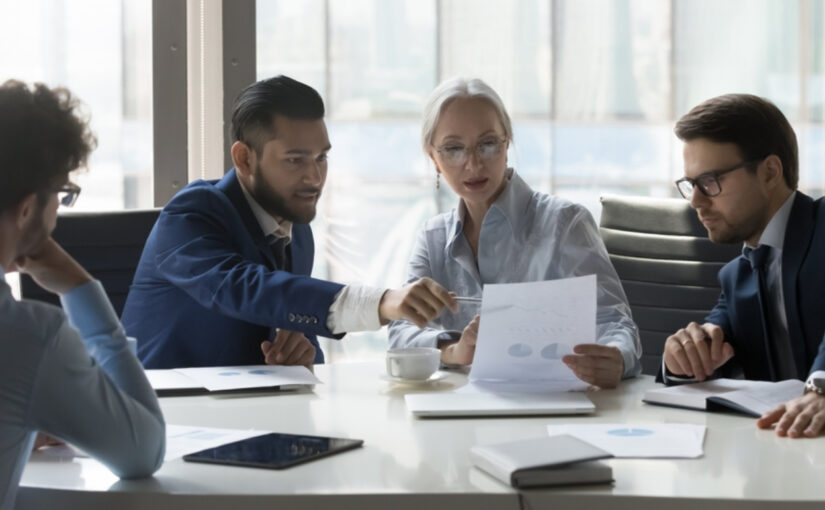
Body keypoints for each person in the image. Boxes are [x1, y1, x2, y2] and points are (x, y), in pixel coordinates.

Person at [122, 75, 456, 369]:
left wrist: (302, 354)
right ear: (244, 158)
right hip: (161, 417)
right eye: (295, 160)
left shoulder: (297, 236)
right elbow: (246, 288)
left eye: (321, 157)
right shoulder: (193, 213)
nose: (315, 177)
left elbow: (294, 317)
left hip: (245, 419)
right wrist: (381, 302)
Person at [387, 77, 642, 389]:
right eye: (454, 149)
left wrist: (615, 357)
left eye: (488, 144)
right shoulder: (433, 237)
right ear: (434, 160)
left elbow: (614, 323)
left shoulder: (565, 224)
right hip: (459, 413)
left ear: (506, 144)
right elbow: (401, 329)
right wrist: (454, 350)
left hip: (550, 407)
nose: (473, 163)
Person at [0, 80, 165, 510]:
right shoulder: (30, 338)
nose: (57, 210)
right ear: (24, 209)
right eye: (60, 194)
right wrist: (80, 286)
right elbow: (143, 451)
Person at [662, 93, 825, 438]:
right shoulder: (736, 277)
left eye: (710, 181)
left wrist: (820, 386)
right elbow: (711, 349)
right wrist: (683, 356)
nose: (695, 200)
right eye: (691, 184)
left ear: (769, 172)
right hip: (783, 456)